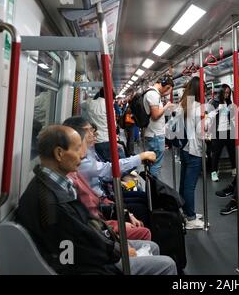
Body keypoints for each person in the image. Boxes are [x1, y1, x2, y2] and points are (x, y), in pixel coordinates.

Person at [16, 125, 177, 275]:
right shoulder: (53, 201)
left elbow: (83, 230)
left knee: (152, 247)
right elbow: (80, 243)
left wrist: (111, 241)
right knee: (167, 265)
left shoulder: (52, 184)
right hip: (88, 266)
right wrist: (116, 250)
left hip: (92, 250)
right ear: (59, 153)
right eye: (77, 148)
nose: (82, 154)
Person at [62, 116, 152, 199]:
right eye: (89, 131)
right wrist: (140, 157)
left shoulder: (90, 152)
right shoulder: (81, 161)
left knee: (140, 193)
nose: (93, 135)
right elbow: (108, 169)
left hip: (106, 190)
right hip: (102, 198)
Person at [173, 76, 207, 229]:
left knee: (183, 183)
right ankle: (191, 219)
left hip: (184, 148)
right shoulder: (199, 107)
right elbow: (202, 131)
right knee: (190, 185)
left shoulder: (183, 105)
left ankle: (187, 211)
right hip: (194, 149)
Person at [143, 76, 175, 177]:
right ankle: (154, 190)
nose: (166, 94)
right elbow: (155, 115)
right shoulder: (153, 94)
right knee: (156, 164)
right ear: (167, 86)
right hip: (156, 135)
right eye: (168, 90)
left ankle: (152, 187)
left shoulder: (153, 93)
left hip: (153, 134)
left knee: (153, 163)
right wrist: (166, 106)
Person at [84, 88, 125, 162]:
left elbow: (81, 104)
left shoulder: (89, 103)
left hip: (93, 141)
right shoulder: (109, 107)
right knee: (114, 163)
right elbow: (113, 125)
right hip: (106, 140)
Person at [208, 84, 236, 182]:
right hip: (218, 131)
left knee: (232, 151)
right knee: (216, 153)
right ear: (221, 92)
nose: (227, 95)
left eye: (228, 93)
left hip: (228, 130)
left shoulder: (229, 102)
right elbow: (208, 116)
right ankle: (214, 172)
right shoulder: (213, 102)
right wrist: (217, 110)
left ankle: (234, 169)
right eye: (225, 93)